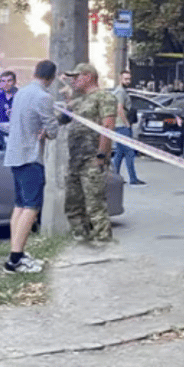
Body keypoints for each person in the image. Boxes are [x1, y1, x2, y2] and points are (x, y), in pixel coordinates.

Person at [2, 60, 61, 273]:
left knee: (19, 206)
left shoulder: (22, 93)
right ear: (51, 78)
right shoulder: (43, 97)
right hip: (31, 156)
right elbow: (53, 129)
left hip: (15, 155)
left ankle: (15, 251)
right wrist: (49, 130)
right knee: (31, 207)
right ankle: (15, 259)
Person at [63, 63, 118, 242]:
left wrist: (101, 155)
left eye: (76, 77)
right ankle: (81, 240)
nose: (73, 81)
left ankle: (103, 243)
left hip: (92, 159)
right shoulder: (78, 101)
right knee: (72, 205)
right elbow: (61, 118)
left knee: (95, 206)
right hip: (75, 160)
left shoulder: (104, 97)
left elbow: (107, 126)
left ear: (88, 76)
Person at [111, 71, 146, 185]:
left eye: (129, 79)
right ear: (120, 78)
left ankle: (114, 177)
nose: (128, 81)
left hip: (120, 125)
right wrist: (126, 123)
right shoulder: (120, 92)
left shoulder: (122, 91)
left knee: (119, 153)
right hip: (122, 126)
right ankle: (133, 178)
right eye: (126, 79)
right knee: (129, 153)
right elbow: (119, 108)